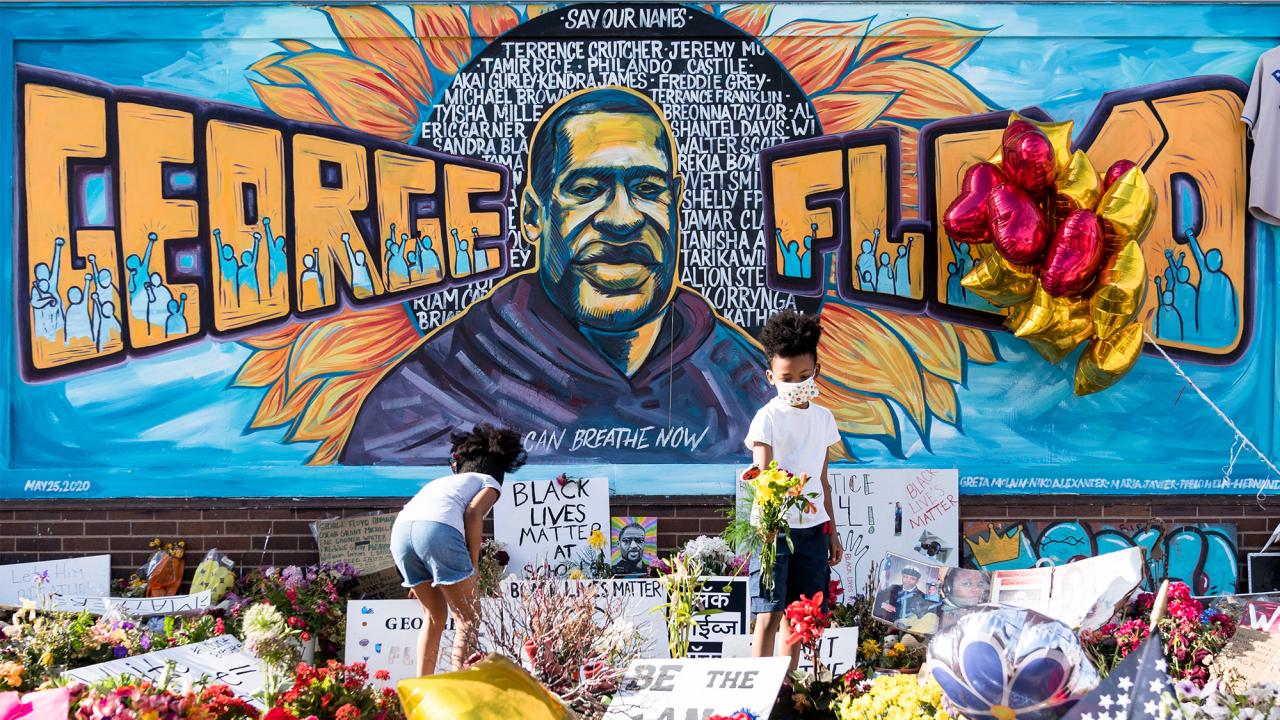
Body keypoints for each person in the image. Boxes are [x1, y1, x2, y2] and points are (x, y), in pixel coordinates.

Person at [341, 87, 771, 465]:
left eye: (647, 189)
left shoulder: (744, 383)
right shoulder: (428, 395)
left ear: (676, 204)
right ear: (533, 215)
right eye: (585, 190)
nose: (622, 219)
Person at [746, 310, 843, 672]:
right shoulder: (767, 418)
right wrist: (767, 527)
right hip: (774, 530)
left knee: (800, 615)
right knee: (768, 614)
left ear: (816, 371)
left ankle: (786, 692)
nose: (796, 383)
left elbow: (823, 480)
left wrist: (832, 531)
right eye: (787, 378)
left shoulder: (824, 419)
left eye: (804, 376)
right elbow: (762, 476)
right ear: (772, 377)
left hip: (813, 530)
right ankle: (757, 693)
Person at [390, 423, 527, 676]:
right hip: (436, 531)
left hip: (401, 533)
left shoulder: (442, 484)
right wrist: (473, 564)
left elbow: (417, 525)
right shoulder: (489, 481)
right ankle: (460, 691)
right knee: (469, 617)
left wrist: (413, 578)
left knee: (433, 617)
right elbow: (473, 514)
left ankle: (422, 691)